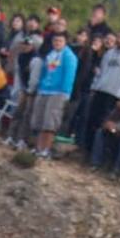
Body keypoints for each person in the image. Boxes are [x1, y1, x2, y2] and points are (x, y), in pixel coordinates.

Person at [31, 31, 77, 159]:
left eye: (60, 41)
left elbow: (69, 76)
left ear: (65, 42)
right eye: (55, 40)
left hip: (58, 92)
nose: (57, 43)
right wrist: (40, 86)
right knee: (40, 120)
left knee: (50, 123)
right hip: (44, 89)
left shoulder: (69, 56)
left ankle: (46, 149)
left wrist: (64, 92)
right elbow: (45, 72)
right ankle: (38, 147)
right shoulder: (50, 55)